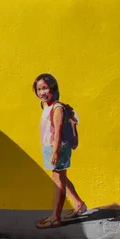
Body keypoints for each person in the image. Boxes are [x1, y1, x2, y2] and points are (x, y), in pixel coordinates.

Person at [33, 73, 87, 229]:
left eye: (45, 88)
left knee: (58, 182)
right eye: (39, 89)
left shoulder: (57, 108)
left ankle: (55, 217)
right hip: (49, 147)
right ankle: (78, 204)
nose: (42, 92)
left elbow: (58, 131)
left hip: (57, 148)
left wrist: (55, 152)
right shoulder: (47, 106)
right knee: (60, 178)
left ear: (53, 88)